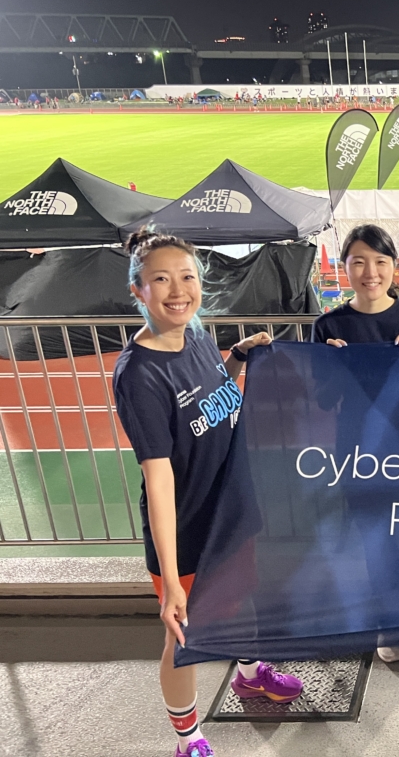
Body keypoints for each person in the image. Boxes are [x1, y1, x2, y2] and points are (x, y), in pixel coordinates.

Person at [113, 232, 303, 757]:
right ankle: (188, 738)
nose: (178, 291)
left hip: (232, 511)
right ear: (138, 290)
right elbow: (159, 477)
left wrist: (238, 357)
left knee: (241, 602)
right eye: (161, 279)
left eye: (187, 277)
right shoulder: (139, 375)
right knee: (184, 638)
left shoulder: (195, 334)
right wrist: (172, 580)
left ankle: (249, 674)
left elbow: (216, 391)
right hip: (188, 532)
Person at [310, 224, 399, 663]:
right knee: (376, 539)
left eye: (380, 261)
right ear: (345, 267)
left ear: (393, 266)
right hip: (358, 451)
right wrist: (335, 365)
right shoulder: (329, 325)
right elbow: (324, 399)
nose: (370, 272)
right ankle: (389, 619)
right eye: (359, 262)